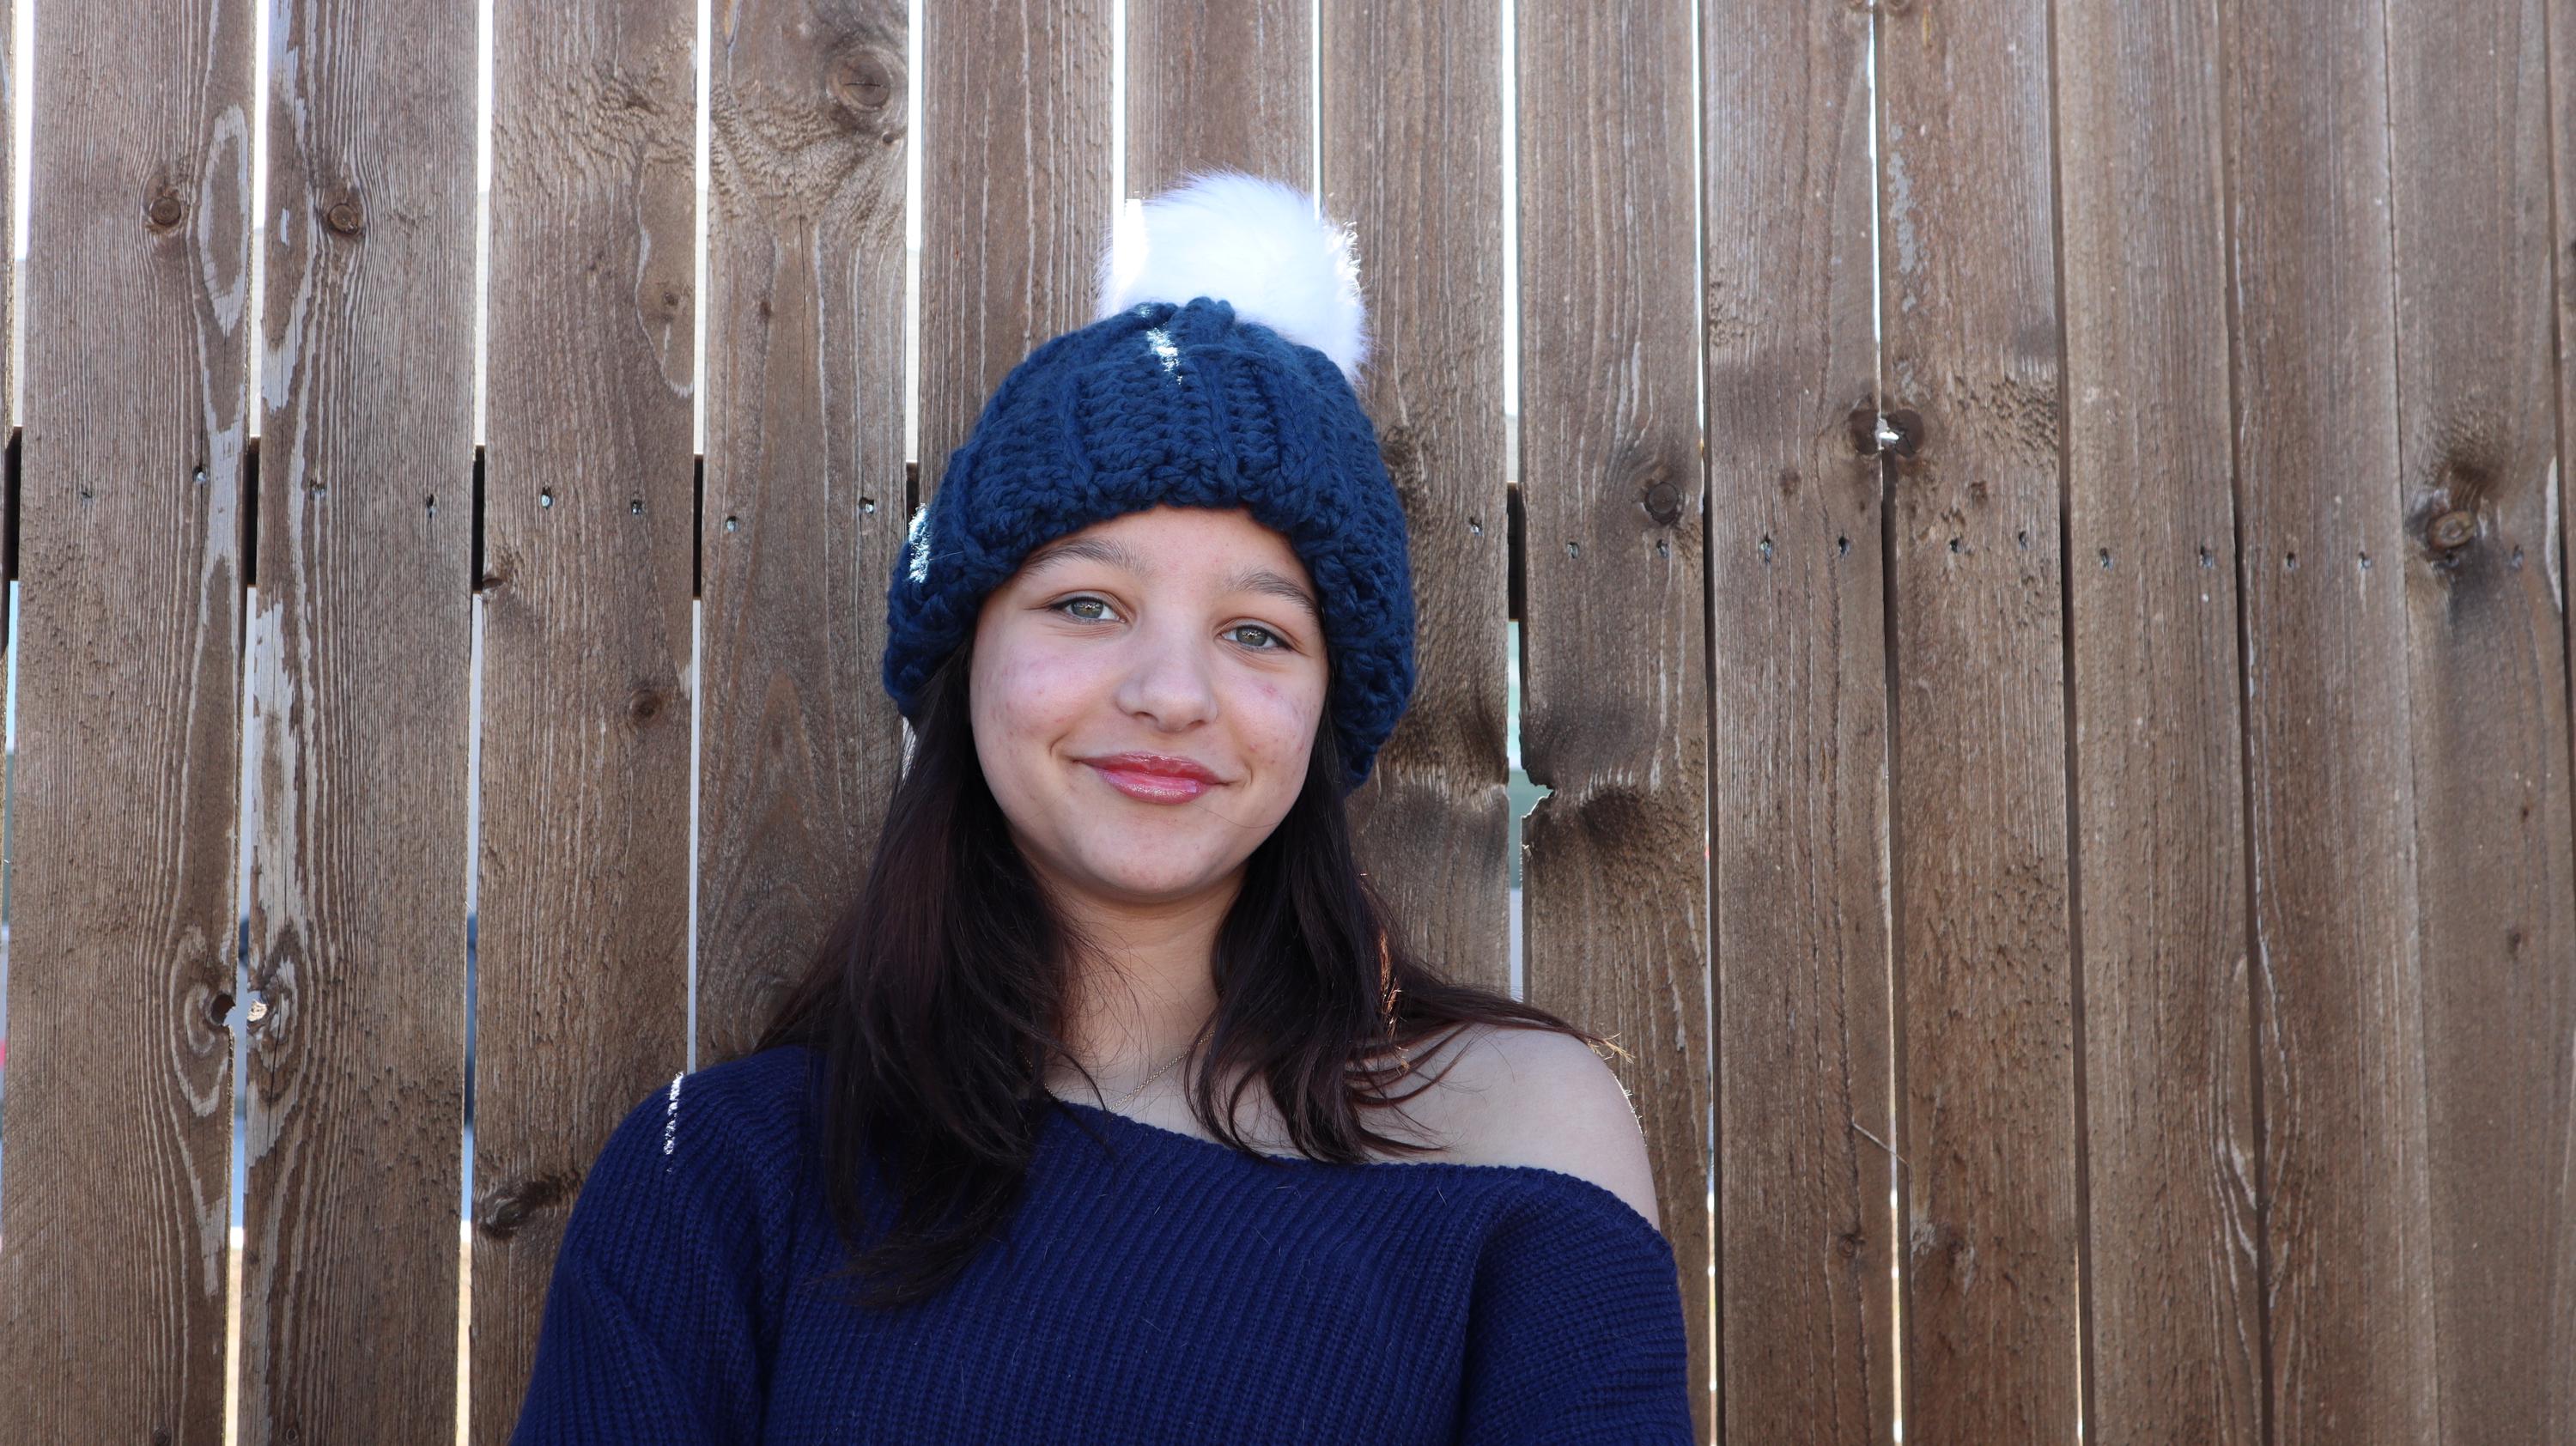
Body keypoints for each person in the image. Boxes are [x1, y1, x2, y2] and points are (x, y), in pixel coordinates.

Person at [507, 169, 1695, 1443]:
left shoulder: (1514, 1134)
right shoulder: (720, 1178)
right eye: (1087, 604)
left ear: (1322, 710)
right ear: (971, 660)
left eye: (1256, 630)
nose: (1172, 693)